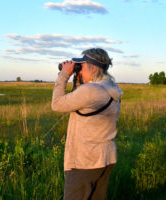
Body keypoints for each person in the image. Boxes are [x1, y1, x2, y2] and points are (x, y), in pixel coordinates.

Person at [51, 48, 123, 200]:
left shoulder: (90, 90)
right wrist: (78, 79)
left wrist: (64, 74)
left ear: (94, 67)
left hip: (86, 161)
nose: (78, 70)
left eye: (81, 66)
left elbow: (56, 104)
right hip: (106, 158)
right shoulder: (112, 88)